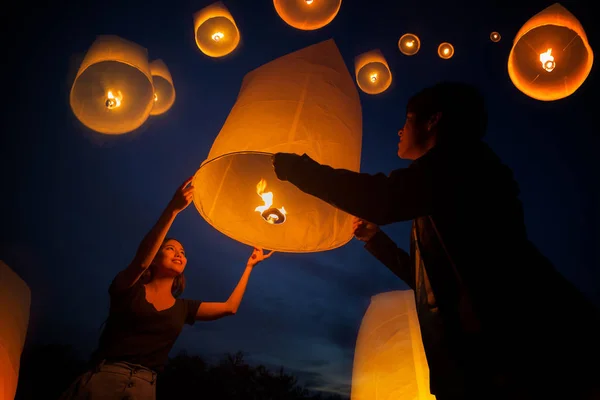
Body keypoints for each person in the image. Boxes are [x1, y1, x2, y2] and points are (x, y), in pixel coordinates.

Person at [272, 82, 600, 399]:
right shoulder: (443, 186)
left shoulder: (461, 163)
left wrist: (298, 169)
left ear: (433, 120)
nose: (400, 130)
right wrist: (376, 240)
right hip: (483, 360)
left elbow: (381, 198)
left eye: (407, 120)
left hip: (520, 349)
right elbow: (429, 284)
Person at [59, 177, 274, 400]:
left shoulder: (183, 308)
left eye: (182, 252)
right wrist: (172, 210)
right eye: (171, 249)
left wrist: (249, 266)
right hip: (103, 379)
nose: (179, 254)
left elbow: (230, 308)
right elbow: (141, 261)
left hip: (144, 388)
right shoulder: (128, 288)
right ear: (154, 258)